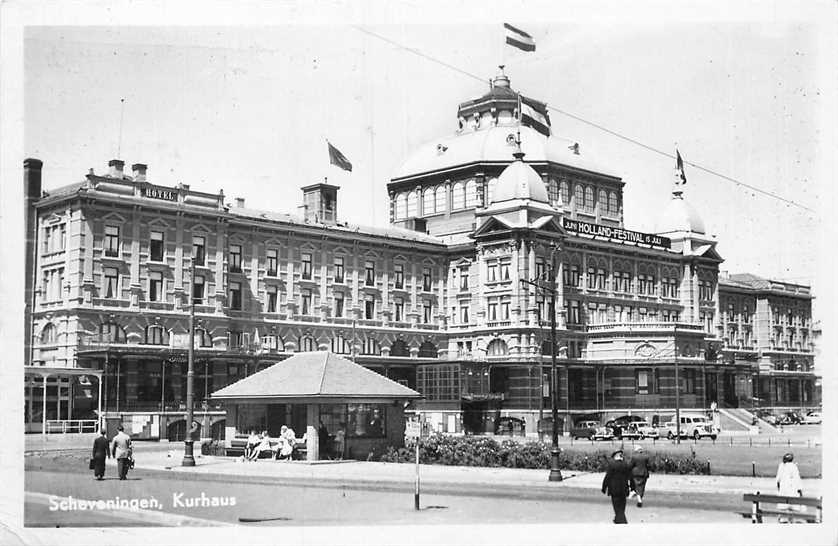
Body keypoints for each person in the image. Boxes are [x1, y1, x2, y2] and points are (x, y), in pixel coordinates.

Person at [601, 449, 632, 524]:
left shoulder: (612, 465)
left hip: (614, 489)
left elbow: (607, 477)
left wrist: (604, 488)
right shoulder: (626, 464)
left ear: (615, 456)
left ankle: (620, 520)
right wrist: (633, 488)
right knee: (622, 506)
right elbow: (630, 477)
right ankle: (618, 519)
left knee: (616, 506)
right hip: (624, 489)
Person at [775, 452, 804, 523]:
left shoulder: (781, 466)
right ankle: (790, 520)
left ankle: (782, 519)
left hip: (783, 494)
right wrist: (800, 492)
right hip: (792, 494)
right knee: (792, 507)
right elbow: (798, 480)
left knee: (783, 505)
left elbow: (778, 481)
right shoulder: (794, 467)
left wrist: (779, 490)